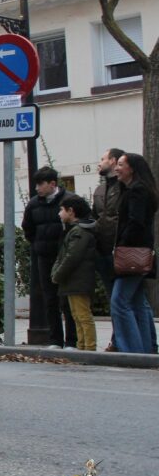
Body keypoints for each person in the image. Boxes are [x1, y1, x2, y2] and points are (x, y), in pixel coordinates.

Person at [22, 167, 77, 349]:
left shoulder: (68, 200)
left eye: (40, 184)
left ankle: (71, 340)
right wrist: (38, 244)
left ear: (52, 184)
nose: (37, 188)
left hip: (64, 256)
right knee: (50, 298)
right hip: (44, 256)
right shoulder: (34, 204)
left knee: (67, 298)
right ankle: (55, 340)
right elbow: (28, 228)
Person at [110, 153, 157, 354]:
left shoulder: (137, 191)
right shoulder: (138, 189)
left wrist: (121, 245)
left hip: (131, 254)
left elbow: (135, 222)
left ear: (132, 168)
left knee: (119, 302)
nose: (116, 168)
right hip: (139, 252)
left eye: (120, 164)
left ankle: (132, 350)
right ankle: (145, 350)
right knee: (137, 302)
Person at [51, 195, 98, 351]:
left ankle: (89, 348)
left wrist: (57, 274)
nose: (59, 214)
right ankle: (82, 346)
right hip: (74, 281)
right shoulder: (75, 230)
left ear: (71, 211)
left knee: (82, 316)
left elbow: (72, 256)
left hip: (78, 280)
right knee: (77, 315)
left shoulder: (79, 232)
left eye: (61, 210)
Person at [93, 147, 124, 351]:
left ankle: (122, 340)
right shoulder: (100, 189)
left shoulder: (124, 188)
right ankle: (117, 340)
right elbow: (97, 217)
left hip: (120, 250)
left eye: (103, 158)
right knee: (114, 296)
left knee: (123, 298)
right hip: (102, 251)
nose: (99, 162)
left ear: (113, 161)